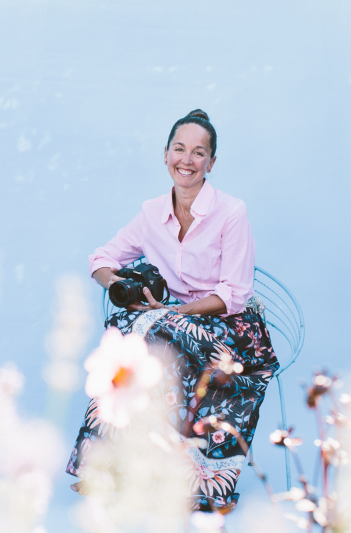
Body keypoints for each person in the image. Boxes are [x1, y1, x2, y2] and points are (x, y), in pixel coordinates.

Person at [66, 109, 279, 512]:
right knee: (134, 335)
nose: (187, 159)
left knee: (147, 333)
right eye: (180, 149)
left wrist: (177, 312)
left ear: (211, 163)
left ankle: (198, 485)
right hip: (170, 324)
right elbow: (101, 258)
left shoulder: (232, 213)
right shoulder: (151, 213)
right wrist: (119, 286)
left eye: (199, 153)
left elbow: (234, 292)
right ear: (165, 155)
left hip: (233, 329)